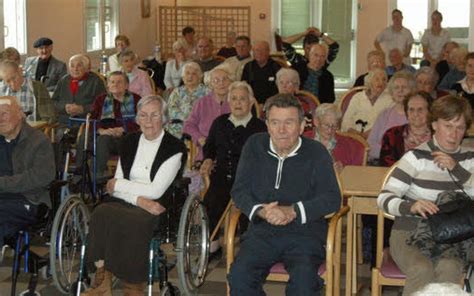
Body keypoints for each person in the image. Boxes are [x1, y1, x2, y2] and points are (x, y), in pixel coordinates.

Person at [228, 93, 341, 295]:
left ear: (301, 125)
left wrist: (293, 211)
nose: (281, 130)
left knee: (304, 284)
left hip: (304, 233)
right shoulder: (255, 145)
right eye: (275, 122)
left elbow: (332, 198)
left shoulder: (317, 152)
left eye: (289, 123)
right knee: (239, 277)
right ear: (267, 125)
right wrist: (261, 211)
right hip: (262, 231)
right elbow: (239, 190)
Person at [81, 95, 187, 296]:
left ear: (164, 118)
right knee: (101, 212)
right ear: (137, 119)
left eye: (154, 115)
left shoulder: (174, 148)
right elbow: (117, 184)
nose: (148, 121)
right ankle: (104, 280)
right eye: (143, 115)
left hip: (158, 203)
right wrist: (137, 199)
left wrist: (122, 186)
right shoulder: (129, 141)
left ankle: (132, 285)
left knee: (135, 220)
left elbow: (155, 190)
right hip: (129, 200)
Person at [377, 95, 474, 296]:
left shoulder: (469, 158)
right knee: (422, 269)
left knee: (449, 268)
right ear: (434, 125)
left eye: (460, 127)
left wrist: (457, 169)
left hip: (452, 236)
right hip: (409, 232)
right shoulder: (416, 157)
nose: (454, 134)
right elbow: (384, 198)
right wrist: (410, 206)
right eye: (448, 126)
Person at [200, 81, 266, 257]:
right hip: (222, 175)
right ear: (229, 101)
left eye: (242, 99)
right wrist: (207, 159)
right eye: (234, 99)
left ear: (251, 102)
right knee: (211, 201)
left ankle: (248, 247)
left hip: (248, 179)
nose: (238, 103)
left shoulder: (260, 128)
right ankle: (212, 245)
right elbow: (210, 146)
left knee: (249, 207)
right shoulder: (220, 122)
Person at [0, 96, 55, 250]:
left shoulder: (38, 141)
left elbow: (42, 176)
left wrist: (3, 183)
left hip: (30, 199)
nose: (0, 119)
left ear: (20, 114)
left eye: (4, 114)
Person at [76, 71, 141, 178]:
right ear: (108, 85)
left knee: (103, 140)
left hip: (125, 139)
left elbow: (141, 121)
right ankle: (79, 174)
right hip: (103, 135)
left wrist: (123, 129)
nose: (115, 84)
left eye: (119, 82)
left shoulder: (136, 99)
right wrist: (101, 130)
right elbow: (91, 120)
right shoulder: (101, 99)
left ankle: (96, 177)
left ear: (126, 85)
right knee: (85, 136)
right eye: (112, 82)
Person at [183, 67, 232, 160]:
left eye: (224, 79)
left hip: (231, 151)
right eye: (216, 80)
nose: (221, 83)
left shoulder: (235, 101)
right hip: (207, 153)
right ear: (210, 85)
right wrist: (200, 138)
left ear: (230, 82)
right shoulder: (202, 103)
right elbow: (188, 125)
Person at [368, 71, 416, 163]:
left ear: (412, 90)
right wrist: (389, 154)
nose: (400, 90)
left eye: (404, 87)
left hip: (410, 165)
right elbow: (371, 144)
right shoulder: (384, 114)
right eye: (396, 88)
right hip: (382, 162)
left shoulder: (417, 115)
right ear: (391, 92)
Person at [379, 91, 433, 167]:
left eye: (420, 109)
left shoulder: (439, 135)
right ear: (406, 112)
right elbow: (386, 165)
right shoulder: (391, 135)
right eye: (411, 109)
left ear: (429, 112)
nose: (415, 114)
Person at [52, 54, 107, 126]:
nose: (75, 69)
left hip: (86, 123)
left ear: (86, 68)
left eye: (79, 65)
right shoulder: (64, 80)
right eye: (72, 66)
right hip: (63, 123)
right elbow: (53, 102)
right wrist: (64, 107)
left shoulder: (96, 81)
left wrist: (83, 109)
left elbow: (103, 104)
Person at [313, 103, 365, 173]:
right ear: (316, 122)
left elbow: (358, 175)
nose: (330, 130)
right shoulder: (301, 141)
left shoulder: (352, 146)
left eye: (334, 126)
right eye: (326, 125)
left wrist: (344, 171)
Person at [341, 68, 393, 138]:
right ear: (370, 81)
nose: (381, 82)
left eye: (384, 80)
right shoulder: (358, 97)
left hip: (377, 138)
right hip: (354, 136)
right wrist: (357, 134)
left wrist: (370, 134)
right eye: (377, 79)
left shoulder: (390, 100)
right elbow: (346, 120)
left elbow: (389, 123)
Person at [166, 61, 208, 139]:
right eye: (187, 73)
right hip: (179, 124)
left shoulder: (207, 92)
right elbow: (171, 108)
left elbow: (209, 109)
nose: (190, 77)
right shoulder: (177, 92)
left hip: (199, 125)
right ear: (183, 77)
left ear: (200, 77)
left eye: (194, 74)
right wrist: (187, 119)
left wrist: (193, 121)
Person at [275, 67, 317, 137]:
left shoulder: (305, 105)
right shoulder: (270, 103)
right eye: (281, 82)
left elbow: (309, 130)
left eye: (288, 82)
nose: (284, 86)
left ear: (296, 86)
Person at [241, 41, 281, 105]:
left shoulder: (276, 67)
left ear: (268, 52)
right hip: (251, 103)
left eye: (263, 50)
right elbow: (243, 86)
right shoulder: (248, 67)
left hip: (272, 103)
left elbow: (279, 89)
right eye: (257, 50)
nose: (259, 53)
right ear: (253, 52)